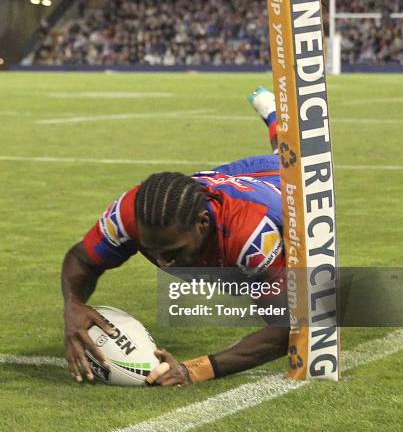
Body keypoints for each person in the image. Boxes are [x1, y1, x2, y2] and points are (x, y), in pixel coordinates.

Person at [62, 87, 289, 385]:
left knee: (291, 155)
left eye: (173, 251)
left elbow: (289, 329)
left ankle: (275, 115)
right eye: (151, 250)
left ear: (202, 223)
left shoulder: (252, 238)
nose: (164, 264)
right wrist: (73, 305)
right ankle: (273, 116)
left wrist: (196, 369)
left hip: (277, 187)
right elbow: (81, 258)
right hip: (220, 181)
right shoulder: (131, 214)